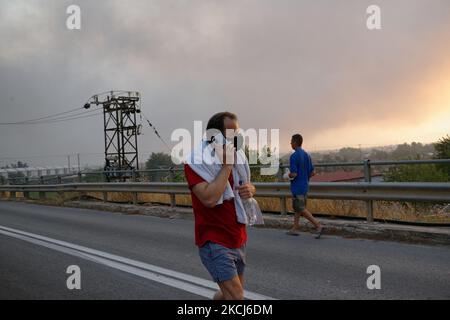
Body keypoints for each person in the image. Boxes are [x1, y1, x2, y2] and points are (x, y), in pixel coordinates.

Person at [184, 112, 256, 300]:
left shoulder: (237, 157)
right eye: (231, 135)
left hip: (238, 235)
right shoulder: (196, 162)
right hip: (214, 239)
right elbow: (209, 198)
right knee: (236, 297)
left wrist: (250, 189)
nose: (236, 140)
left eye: (237, 134)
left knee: (227, 295)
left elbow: (244, 184)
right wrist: (226, 166)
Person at [284, 134, 323, 238]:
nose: (290, 143)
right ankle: (295, 229)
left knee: (300, 208)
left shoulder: (294, 156)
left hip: (297, 187)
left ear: (295, 142)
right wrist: (305, 177)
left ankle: (318, 226)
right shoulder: (307, 155)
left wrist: (287, 175)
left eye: (291, 141)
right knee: (298, 208)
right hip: (305, 185)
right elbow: (313, 172)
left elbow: (294, 174)